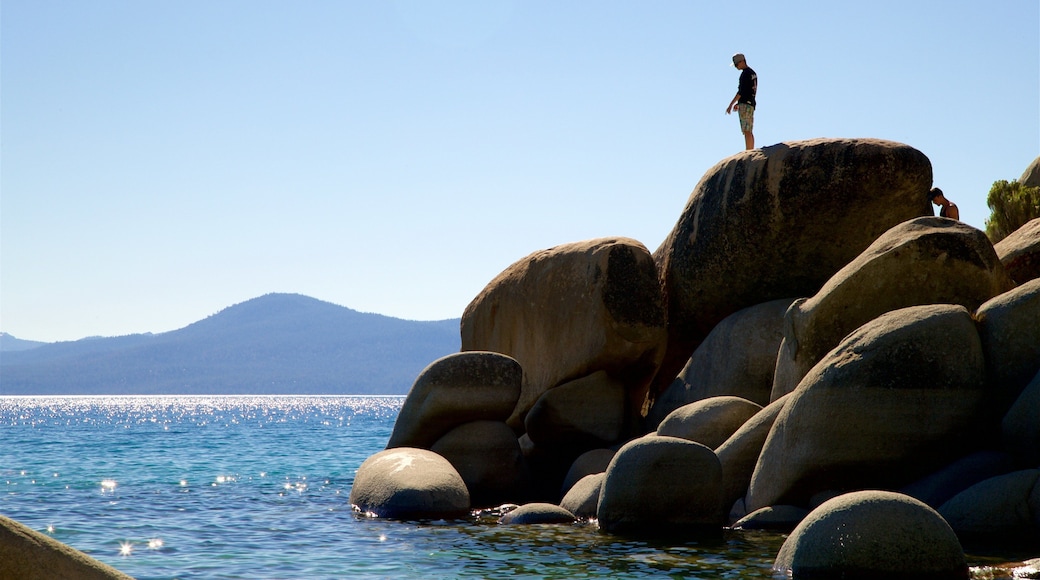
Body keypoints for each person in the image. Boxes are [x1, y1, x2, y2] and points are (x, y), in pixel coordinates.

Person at [726, 53, 757, 150]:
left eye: (736, 64)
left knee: (746, 130)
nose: (736, 67)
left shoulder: (745, 74)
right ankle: (750, 149)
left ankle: (749, 150)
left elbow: (741, 91)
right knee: (749, 129)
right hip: (750, 103)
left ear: (742, 61)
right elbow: (749, 90)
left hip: (745, 104)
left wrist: (730, 105)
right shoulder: (753, 73)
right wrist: (738, 103)